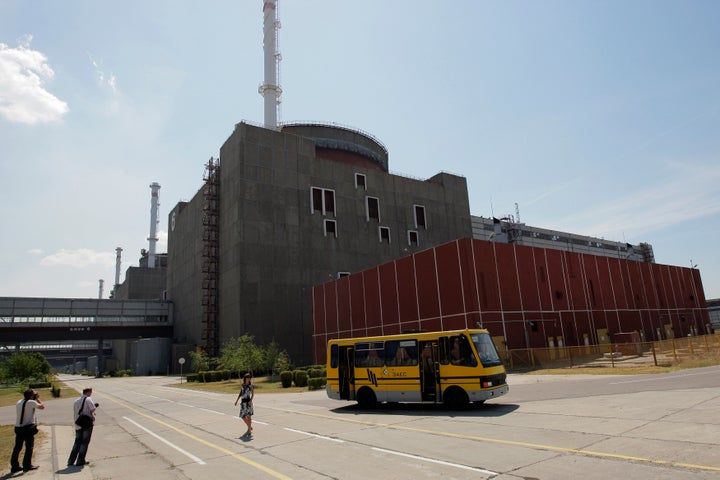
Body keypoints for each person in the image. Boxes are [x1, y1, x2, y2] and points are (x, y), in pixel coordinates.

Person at [11, 388, 44, 473]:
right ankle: (27, 465)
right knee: (29, 447)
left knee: (17, 447)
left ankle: (14, 466)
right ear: (31, 395)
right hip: (27, 427)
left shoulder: (19, 402)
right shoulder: (31, 402)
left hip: (18, 427)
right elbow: (42, 407)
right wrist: (38, 399)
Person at [67, 387, 97, 467]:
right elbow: (93, 409)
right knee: (84, 442)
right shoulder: (88, 399)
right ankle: (80, 460)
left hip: (78, 423)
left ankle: (71, 460)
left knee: (77, 442)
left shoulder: (76, 401)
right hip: (86, 423)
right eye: (90, 392)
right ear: (88, 392)